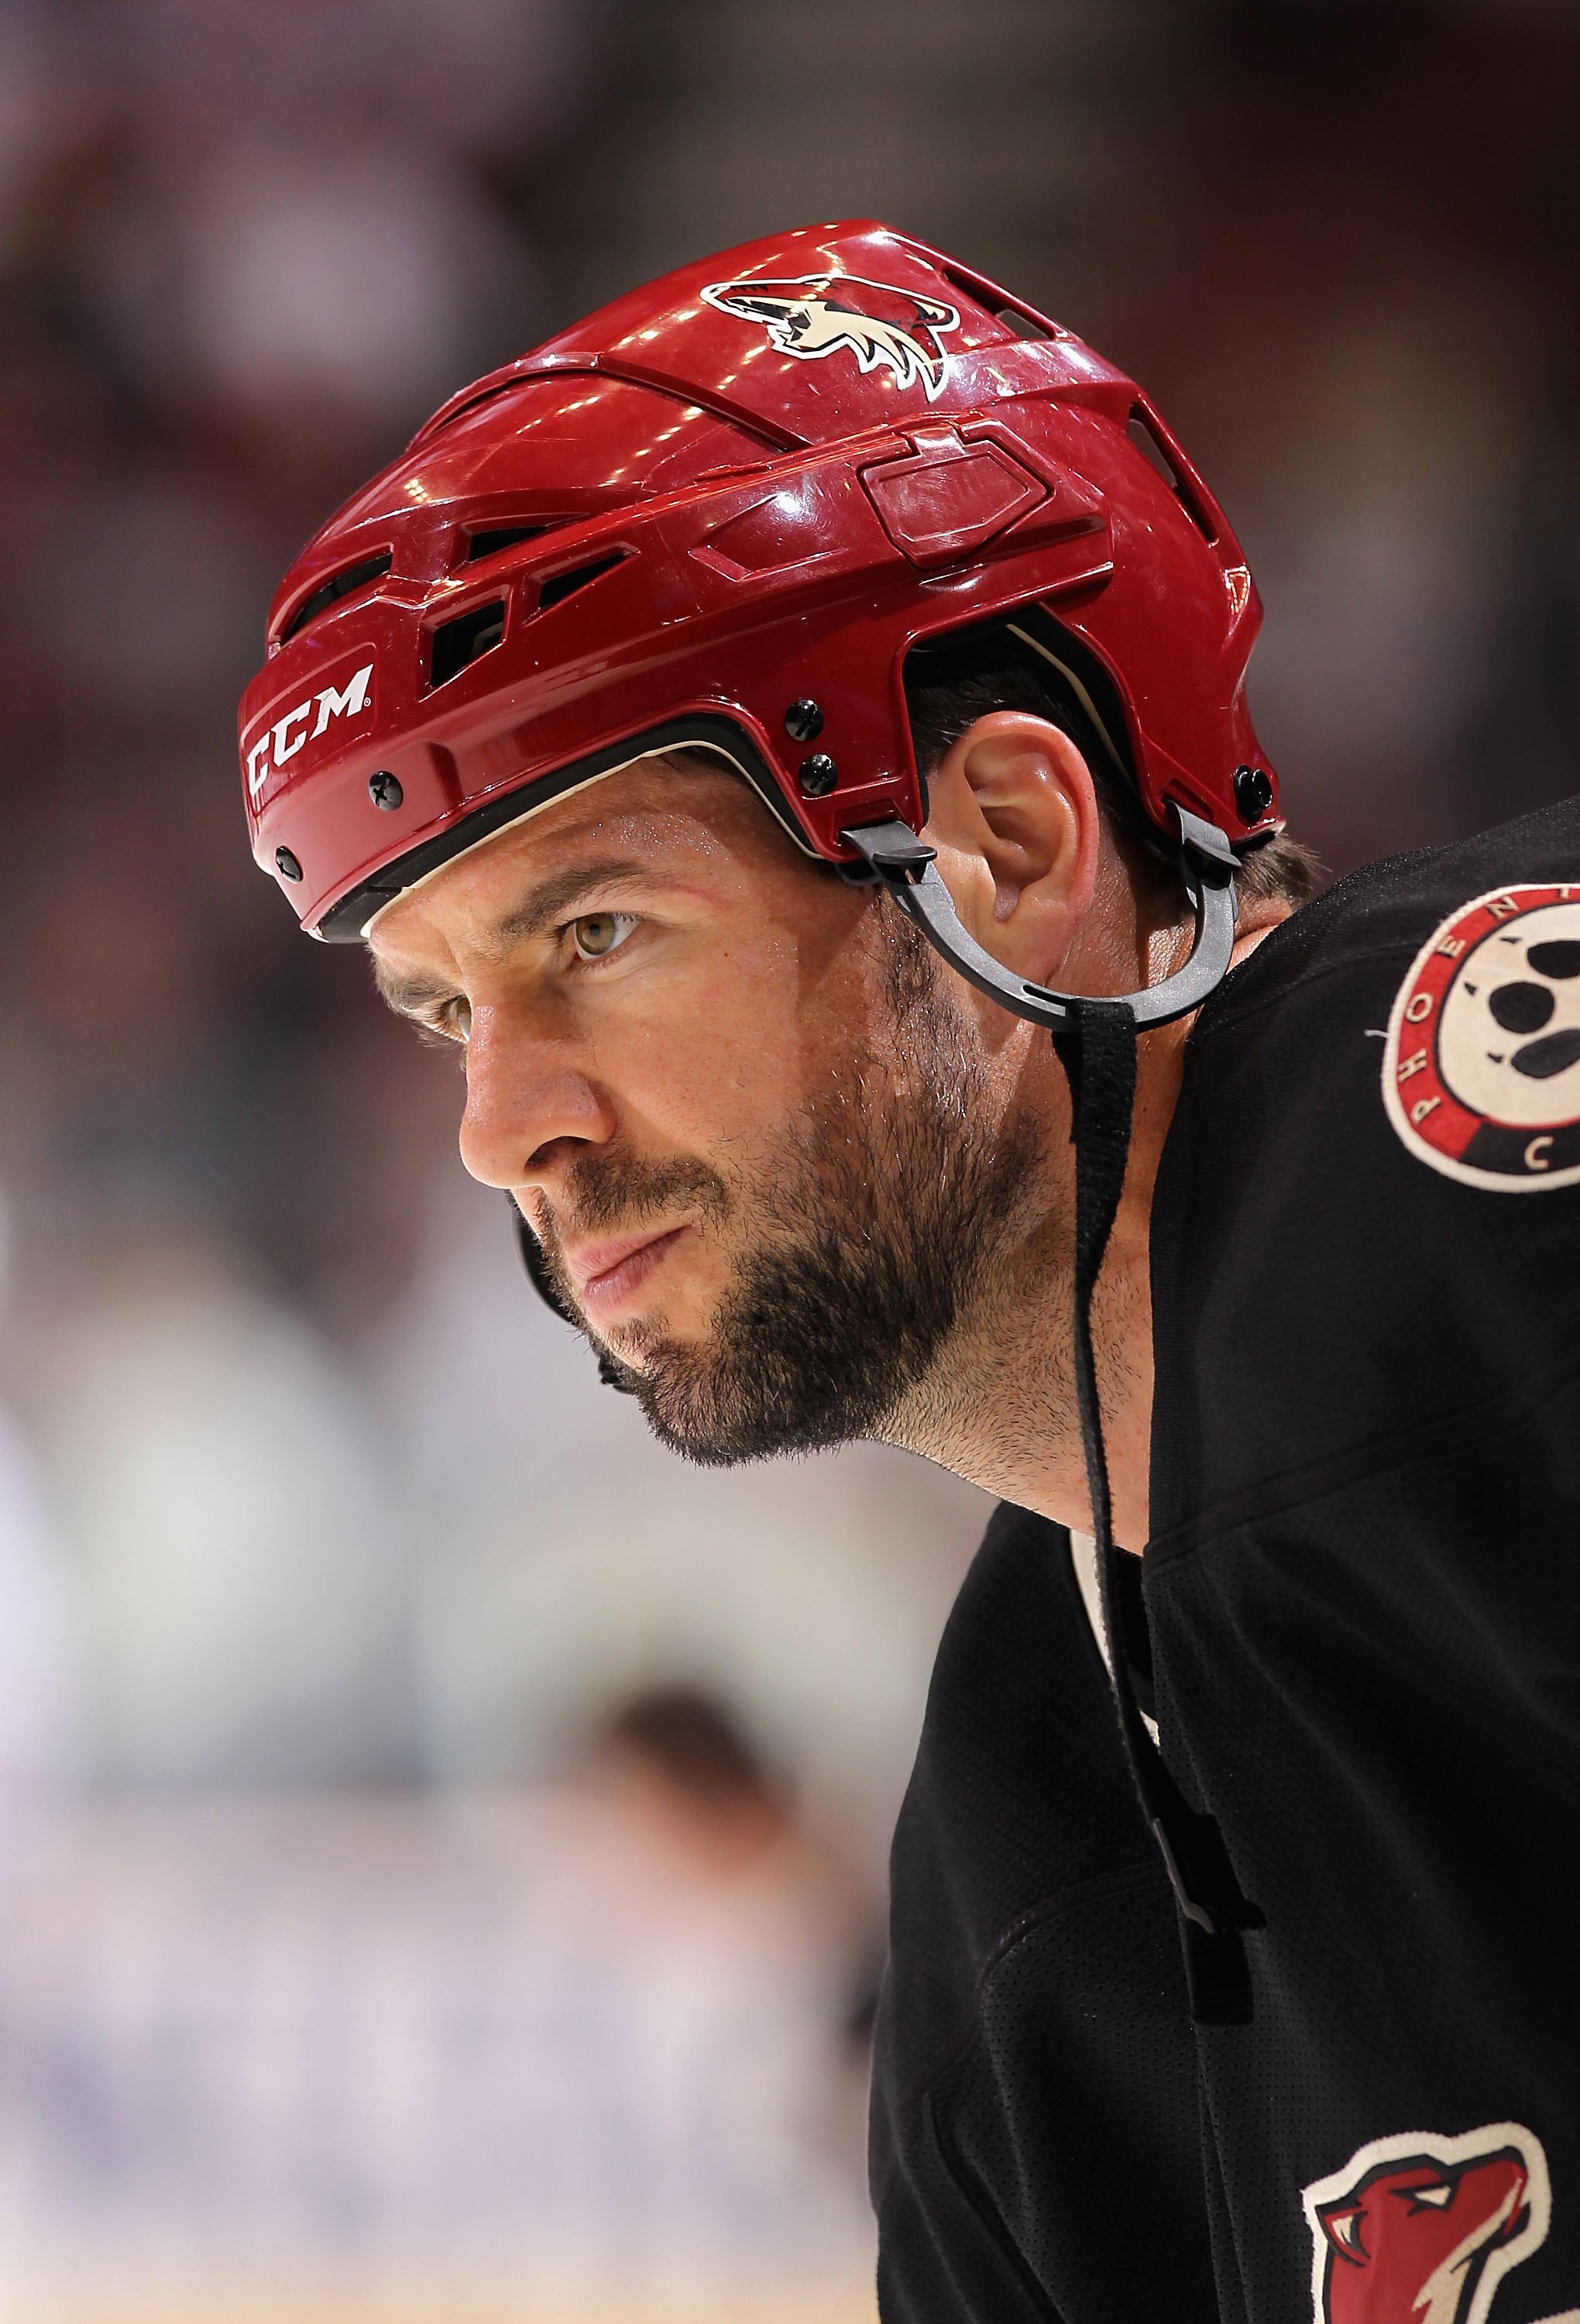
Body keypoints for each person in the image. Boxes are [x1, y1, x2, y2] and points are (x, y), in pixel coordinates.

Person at [236, 222, 1580, 2324]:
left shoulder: (1491, 1121)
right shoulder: (1024, 1870)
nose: (504, 1128)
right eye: (439, 1013)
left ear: (1017, 850)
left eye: (590, 937)